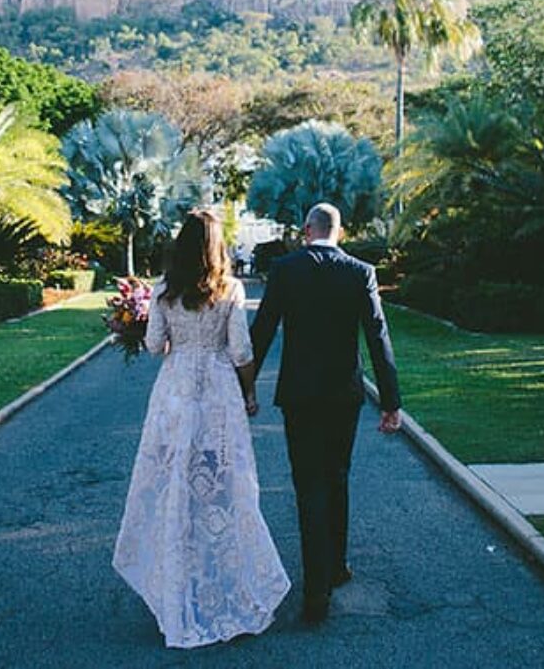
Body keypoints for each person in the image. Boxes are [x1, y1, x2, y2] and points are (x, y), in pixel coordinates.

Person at [113, 208, 290, 648]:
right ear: (216, 246)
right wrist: (249, 394)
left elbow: (155, 346)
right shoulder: (230, 288)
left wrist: (144, 327)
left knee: (174, 485)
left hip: (174, 395)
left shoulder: (163, 290)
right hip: (217, 394)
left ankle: (175, 585)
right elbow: (241, 350)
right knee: (223, 487)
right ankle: (224, 582)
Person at [248, 202, 402, 624]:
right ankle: (334, 565)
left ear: (306, 230)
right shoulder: (359, 272)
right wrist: (391, 402)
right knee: (337, 477)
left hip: (299, 395)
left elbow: (262, 330)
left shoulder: (286, 270)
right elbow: (378, 337)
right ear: (341, 232)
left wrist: (243, 386)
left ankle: (317, 589)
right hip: (343, 395)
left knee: (308, 485)